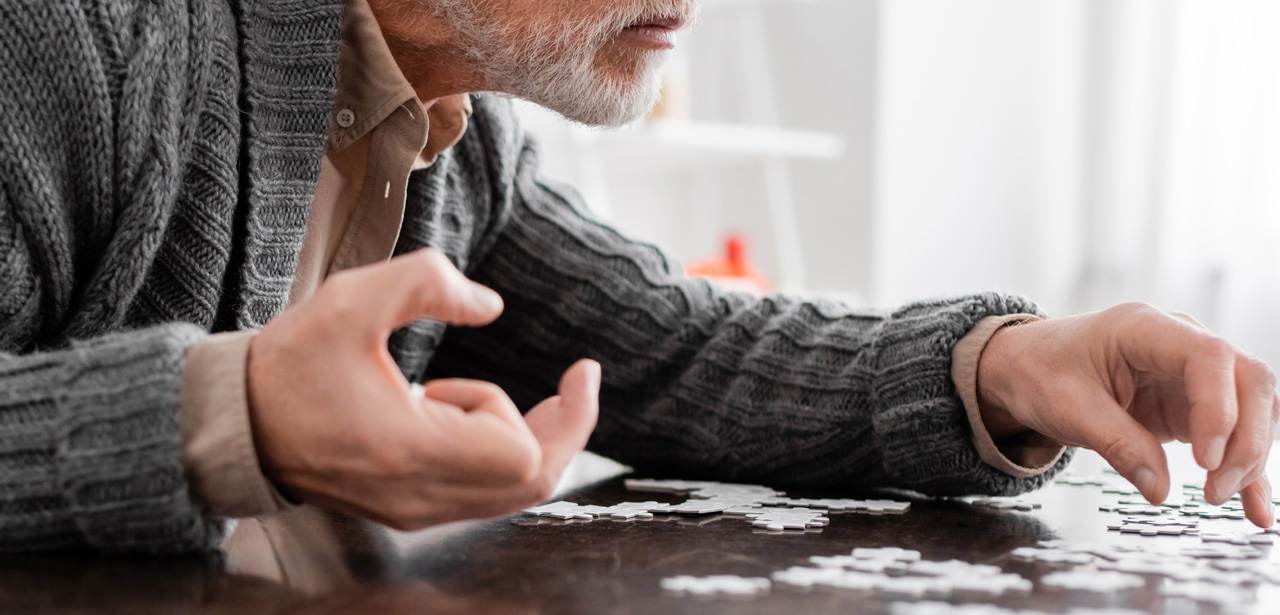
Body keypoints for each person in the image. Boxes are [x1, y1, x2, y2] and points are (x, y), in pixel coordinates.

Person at [0, 0, 1273, 553]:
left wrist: (1001, 366)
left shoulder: (462, 139)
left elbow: (674, 350)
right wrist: (231, 418)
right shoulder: (82, 45)